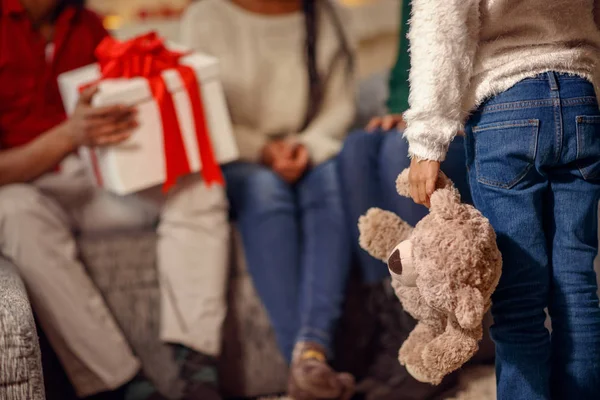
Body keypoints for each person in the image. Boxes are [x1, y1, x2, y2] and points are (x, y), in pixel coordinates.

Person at [0, 1, 230, 399]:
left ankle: (197, 365)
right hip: (27, 189)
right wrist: (69, 136)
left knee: (200, 185)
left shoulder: (86, 23)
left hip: (95, 179)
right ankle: (121, 384)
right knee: (12, 211)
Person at [404, 1, 600, 399]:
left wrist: (427, 143)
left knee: (517, 298)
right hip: (581, 97)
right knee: (578, 288)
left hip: (506, 105)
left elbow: (441, 20)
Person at [181, 0, 355, 398]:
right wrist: (262, 149)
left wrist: (305, 147)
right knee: (265, 190)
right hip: (237, 155)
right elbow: (201, 113)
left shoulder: (330, 16)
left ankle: (312, 350)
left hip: (308, 149)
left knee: (330, 182)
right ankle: (307, 366)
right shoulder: (205, 18)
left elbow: (340, 105)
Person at [338, 0, 472, 284]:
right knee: (357, 147)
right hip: (420, 113)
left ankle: (427, 286)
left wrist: (429, 120)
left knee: (396, 151)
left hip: (460, 120)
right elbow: (408, 70)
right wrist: (399, 112)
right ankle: (385, 295)